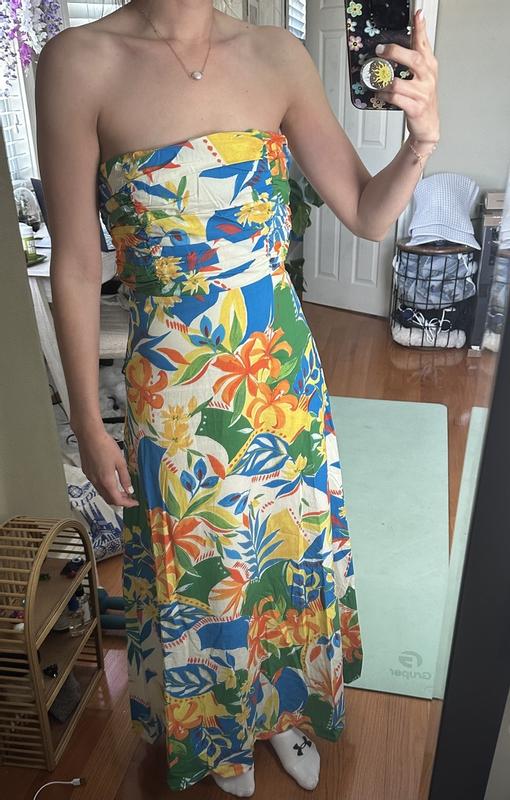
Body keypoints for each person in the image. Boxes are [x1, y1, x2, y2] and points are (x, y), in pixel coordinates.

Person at [34, 1, 439, 796]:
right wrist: (86, 418)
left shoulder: (278, 55)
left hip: (278, 369)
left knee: (283, 551)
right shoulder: (79, 62)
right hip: (173, 384)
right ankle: (219, 733)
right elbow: (77, 262)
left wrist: (421, 140)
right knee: (204, 566)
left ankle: (284, 710)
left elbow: (366, 212)